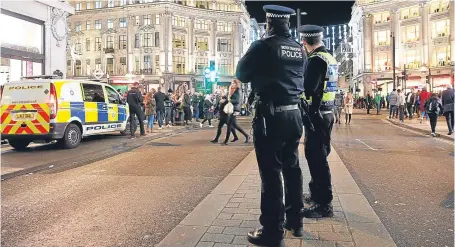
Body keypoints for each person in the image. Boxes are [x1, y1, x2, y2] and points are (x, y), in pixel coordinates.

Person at [235, 5, 306, 246]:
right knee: (292, 168)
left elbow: (241, 74)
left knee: (271, 174)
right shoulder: (299, 48)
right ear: (287, 23)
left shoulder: (262, 46)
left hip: (270, 118)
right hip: (295, 115)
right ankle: (295, 221)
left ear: (269, 23)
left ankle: (272, 231)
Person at [298, 24, 338, 220]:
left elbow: (309, 89)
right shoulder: (329, 57)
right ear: (320, 40)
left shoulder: (315, 60)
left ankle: (324, 204)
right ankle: (315, 195)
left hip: (317, 115)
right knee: (319, 155)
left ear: (304, 42)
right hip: (328, 112)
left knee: (316, 159)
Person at [227, 79, 250, 143]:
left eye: (234, 83)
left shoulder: (238, 90)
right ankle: (236, 137)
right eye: (231, 83)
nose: (232, 84)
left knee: (233, 124)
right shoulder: (232, 90)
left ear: (236, 84)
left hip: (235, 109)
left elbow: (237, 100)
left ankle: (246, 135)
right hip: (232, 109)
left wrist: (229, 100)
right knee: (231, 124)